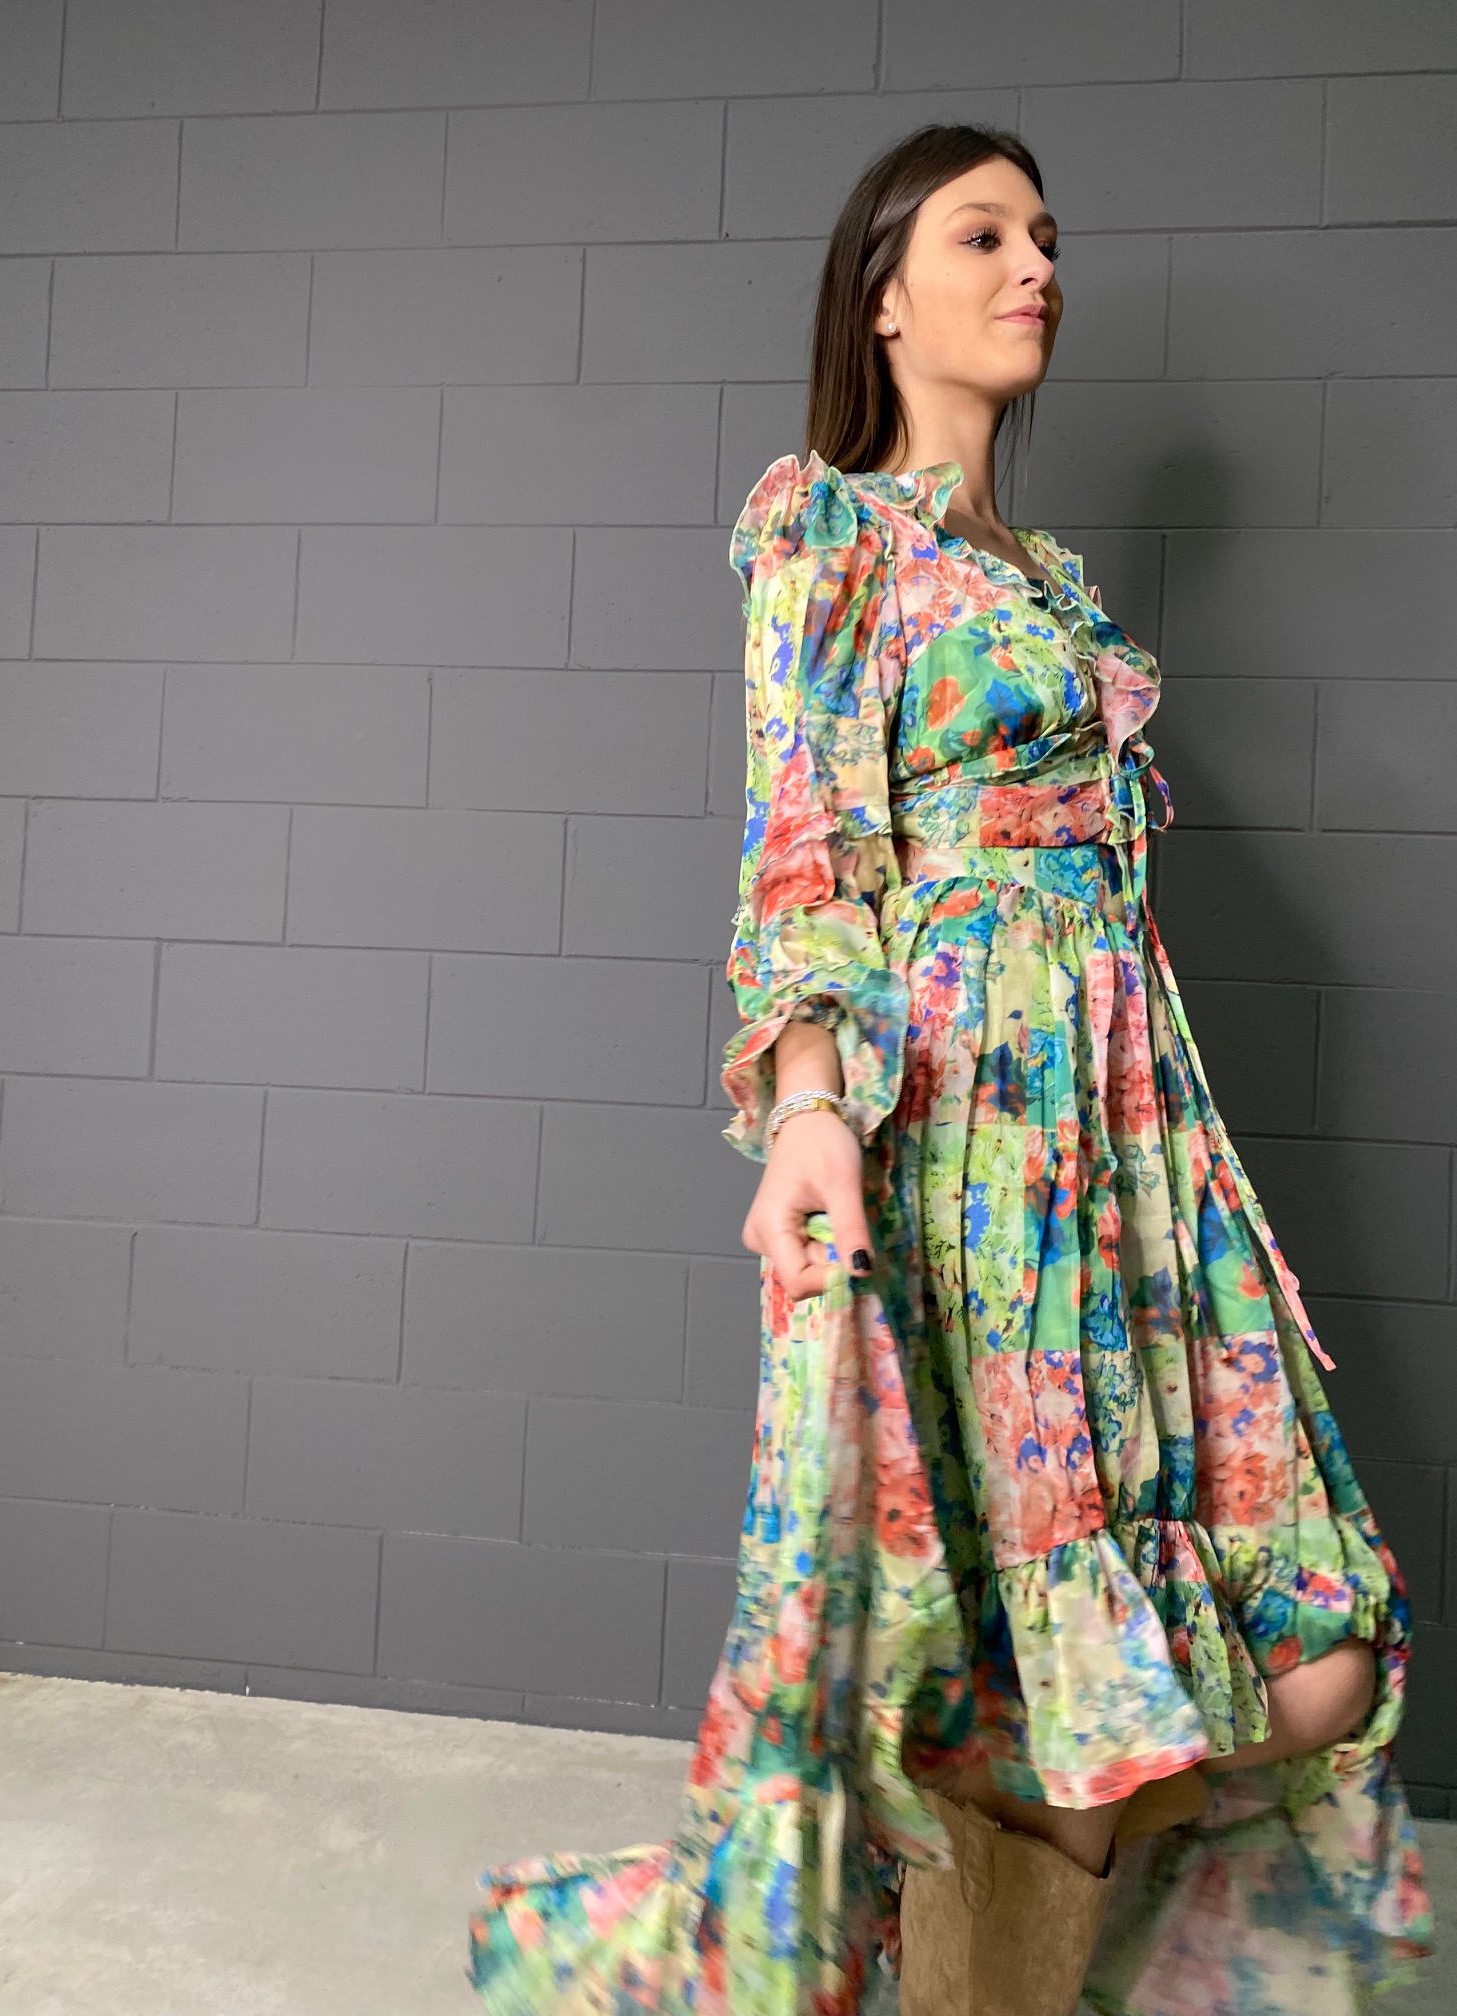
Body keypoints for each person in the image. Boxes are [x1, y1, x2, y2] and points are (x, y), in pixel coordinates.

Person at [466, 123, 1435, 2016]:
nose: (1037, 266)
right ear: (884, 299)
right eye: (984, 236)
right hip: (970, 1144)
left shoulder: (1046, 577)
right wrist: (809, 1110)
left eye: (1047, 236)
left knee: (1309, 1660)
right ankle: (962, 1874)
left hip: (1129, 1142)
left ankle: (973, 1833)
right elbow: (806, 845)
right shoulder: (830, 530)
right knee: (1040, 1667)